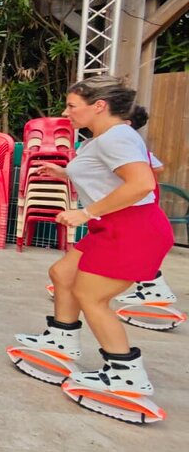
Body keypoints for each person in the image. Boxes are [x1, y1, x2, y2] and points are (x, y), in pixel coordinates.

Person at [14, 75, 173, 402]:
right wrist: (64, 172)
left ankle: (125, 375)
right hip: (114, 226)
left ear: (99, 106)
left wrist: (86, 213)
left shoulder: (116, 136)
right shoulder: (101, 139)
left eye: (72, 106)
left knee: (92, 297)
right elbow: (114, 173)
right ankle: (61, 340)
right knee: (63, 274)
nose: (66, 112)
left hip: (131, 229)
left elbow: (142, 183)